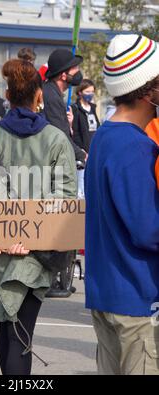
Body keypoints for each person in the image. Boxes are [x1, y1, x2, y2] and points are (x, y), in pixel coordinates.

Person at [0, 59, 77, 375]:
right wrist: (32, 238)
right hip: (33, 254)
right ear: (39, 96)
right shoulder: (57, 141)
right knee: (20, 333)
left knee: (8, 330)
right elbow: (64, 201)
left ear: (7, 95)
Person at [85, 34, 159, 375]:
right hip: (136, 298)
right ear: (148, 90)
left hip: (106, 292)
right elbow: (148, 230)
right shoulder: (134, 147)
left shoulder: (105, 136)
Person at [43, 48, 85, 298]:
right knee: (57, 221)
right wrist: (81, 154)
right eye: (74, 69)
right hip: (52, 168)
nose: (78, 73)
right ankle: (50, 277)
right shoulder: (51, 95)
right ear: (63, 74)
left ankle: (56, 275)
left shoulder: (52, 93)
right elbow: (58, 133)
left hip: (54, 163)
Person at [72, 79, 100, 198]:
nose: (90, 94)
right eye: (87, 91)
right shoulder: (75, 108)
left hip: (93, 149)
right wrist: (81, 150)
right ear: (80, 92)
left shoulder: (93, 108)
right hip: (83, 151)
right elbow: (75, 132)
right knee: (81, 187)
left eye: (92, 91)